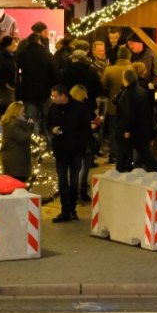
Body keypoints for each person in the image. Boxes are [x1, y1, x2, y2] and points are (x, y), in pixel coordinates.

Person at [47, 84, 91, 222]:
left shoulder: (79, 108)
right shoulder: (53, 108)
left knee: (74, 181)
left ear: (63, 96)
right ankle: (65, 210)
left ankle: (72, 209)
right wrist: (52, 130)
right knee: (62, 181)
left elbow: (86, 129)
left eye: (55, 96)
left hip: (75, 150)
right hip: (60, 150)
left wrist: (81, 145)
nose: (52, 98)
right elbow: (48, 123)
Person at [116, 69, 157, 172]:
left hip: (131, 129)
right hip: (141, 127)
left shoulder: (128, 93)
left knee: (122, 152)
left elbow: (128, 113)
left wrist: (126, 129)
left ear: (125, 79)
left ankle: (119, 172)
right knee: (145, 152)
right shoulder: (142, 91)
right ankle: (156, 171)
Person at [0, 101, 34, 182]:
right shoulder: (12, 124)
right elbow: (23, 138)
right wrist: (30, 126)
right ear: (16, 112)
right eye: (22, 112)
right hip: (15, 160)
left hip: (16, 158)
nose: (24, 114)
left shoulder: (14, 123)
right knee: (17, 183)